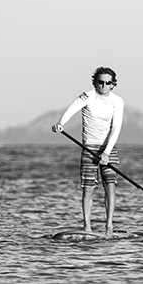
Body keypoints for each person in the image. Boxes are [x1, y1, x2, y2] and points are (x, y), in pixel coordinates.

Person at [51, 67, 125, 234]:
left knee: (110, 186)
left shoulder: (118, 101)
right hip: (89, 147)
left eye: (108, 83)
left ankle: (109, 227)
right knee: (88, 188)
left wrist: (106, 152)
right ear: (95, 82)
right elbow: (71, 110)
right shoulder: (87, 96)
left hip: (109, 148)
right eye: (100, 82)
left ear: (113, 85)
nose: (103, 86)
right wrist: (61, 123)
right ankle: (87, 227)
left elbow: (116, 128)